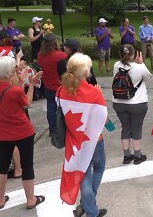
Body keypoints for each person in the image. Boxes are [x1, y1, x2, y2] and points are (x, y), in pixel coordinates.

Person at [58, 53, 108, 217]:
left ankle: (87, 205)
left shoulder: (61, 90)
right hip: (94, 140)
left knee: (84, 173)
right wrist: (98, 94)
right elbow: (104, 119)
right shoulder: (94, 93)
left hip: (74, 140)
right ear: (86, 73)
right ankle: (90, 208)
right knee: (99, 168)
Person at [0, 56, 45, 210]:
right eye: (14, 69)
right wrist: (31, 84)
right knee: (27, 166)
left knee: (2, 167)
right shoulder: (14, 91)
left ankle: (0, 199)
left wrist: (20, 81)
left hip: (3, 133)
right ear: (8, 73)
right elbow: (27, 102)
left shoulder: (10, 89)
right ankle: (31, 199)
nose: (16, 71)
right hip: (22, 132)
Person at [112, 44, 151, 165]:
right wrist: (142, 63)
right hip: (137, 103)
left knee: (125, 128)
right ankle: (138, 155)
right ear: (134, 54)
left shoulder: (116, 66)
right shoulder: (139, 68)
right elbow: (148, 77)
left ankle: (126, 155)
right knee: (136, 128)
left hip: (118, 102)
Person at [37, 33, 67, 137]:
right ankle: (64, 128)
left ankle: (53, 129)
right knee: (64, 108)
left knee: (51, 107)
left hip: (48, 85)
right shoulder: (61, 55)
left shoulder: (40, 55)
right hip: (60, 86)